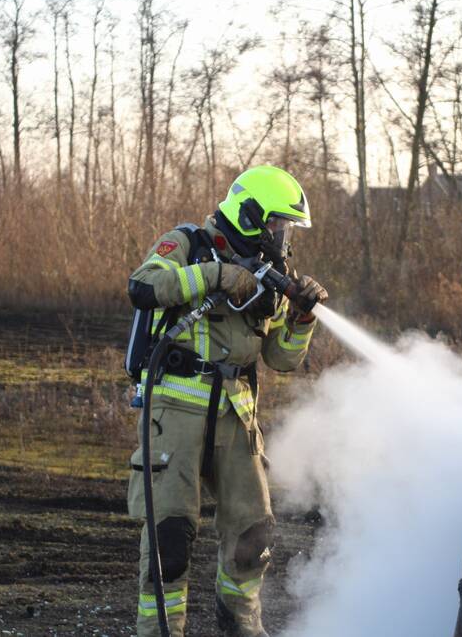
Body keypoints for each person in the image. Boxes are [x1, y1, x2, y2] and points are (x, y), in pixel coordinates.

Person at [126, 165, 328, 637]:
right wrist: (217, 276)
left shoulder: (271, 277)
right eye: (280, 224)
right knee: (169, 539)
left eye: (288, 228)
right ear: (252, 215)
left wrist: (300, 318)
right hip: (173, 413)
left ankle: (240, 626)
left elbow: (281, 359)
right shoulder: (188, 244)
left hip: (236, 418)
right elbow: (143, 287)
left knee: (253, 534)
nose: (284, 235)